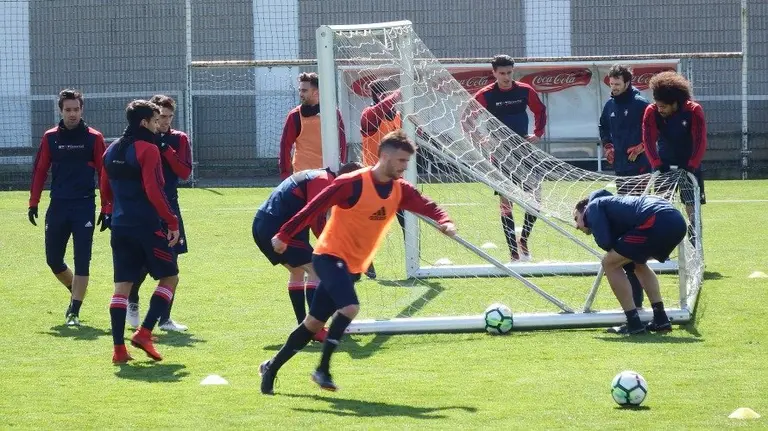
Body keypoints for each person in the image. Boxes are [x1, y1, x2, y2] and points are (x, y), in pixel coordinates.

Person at [259, 130, 456, 394]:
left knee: (313, 324)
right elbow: (314, 207)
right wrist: (284, 234)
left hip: (353, 265)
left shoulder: (400, 190)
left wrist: (444, 220)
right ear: (384, 156)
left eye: (406, 162)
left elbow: (427, 205)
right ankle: (322, 370)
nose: (404, 167)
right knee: (350, 307)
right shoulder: (352, 183)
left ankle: (271, 367)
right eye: (400, 161)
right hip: (329, 256)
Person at [101, 100, 180, 363]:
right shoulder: (148, 149)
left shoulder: (110, 149)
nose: (160, 126)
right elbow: (154, 191)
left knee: (121, 287)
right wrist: (172, 221)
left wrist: (111, 210)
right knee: (170, 277)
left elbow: (105, 189)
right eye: (156, 121)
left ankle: (118, 351)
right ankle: (144, 332)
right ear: (144, 122)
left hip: (120, 226)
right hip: (146, 225)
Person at [253, 161, 364, 341]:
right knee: (316, 269)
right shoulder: (323, 181)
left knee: (297, 271)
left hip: (266, 223)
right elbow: (314, 215)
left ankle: (304, 327)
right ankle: (315, 329)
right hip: (277, 227)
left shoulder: (322, 177)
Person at [28, 89, 108, 326]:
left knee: (83, 259)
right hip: (58, 206)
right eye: (68, 110)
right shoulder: (50, 137)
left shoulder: (94, 137)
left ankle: (74, 310)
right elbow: (40, 170)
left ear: (82, 110)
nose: (72, 114)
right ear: (61, 111)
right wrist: (34, 202)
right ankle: (76, 291)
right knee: (53, 260)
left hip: (84, 205)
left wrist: (107, 206)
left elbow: (104, 173)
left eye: (76, 109)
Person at [573, 189, 686, 335]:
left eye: (576, 219)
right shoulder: (619, 207)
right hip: (677, 222)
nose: (576, 226)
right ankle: (661, 319)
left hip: (655, 221)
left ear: (584, 210)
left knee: (609, 263)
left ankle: (634, 323)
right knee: (637, 264)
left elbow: (605, 242)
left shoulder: (593, 206)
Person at [126, 94, 192, 332]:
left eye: (169, 116)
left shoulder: (178, 139)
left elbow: (184, 172)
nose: (165, 122)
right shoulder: (142, 140)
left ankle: (165, 319)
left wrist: (165, 148)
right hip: (146, 208)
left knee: (172, 263)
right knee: (142, 263)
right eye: (161, 117)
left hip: (170, 205)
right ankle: (132, 303)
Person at [472, 54, 547, 262]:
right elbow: (466, 118)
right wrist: (481, 138)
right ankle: (513, 251)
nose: (506, 77)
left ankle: (524, 239)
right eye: (502, 73)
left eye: (509, 72)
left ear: (513, 71)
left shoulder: (525, 90)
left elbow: (540, 111)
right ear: (494, 73)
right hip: (501, 152)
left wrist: (538, 133)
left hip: (524, 149)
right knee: (506, 202)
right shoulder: (485, 95)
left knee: (535, 200)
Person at [598, 64, 652, 313]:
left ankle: (643, 252)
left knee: (640, 212)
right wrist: (608, 146)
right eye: (611, 83)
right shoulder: (609, 104)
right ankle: (632, 252)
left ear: (628, 82)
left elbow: (654, 131)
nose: (614, 87)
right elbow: (603, 128)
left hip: (640, 167)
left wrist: (642, 146)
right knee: (627, 216)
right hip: (620, 169)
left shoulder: (641, 104)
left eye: (618, 83)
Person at [642, 71, 707, 241]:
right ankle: (663, 247)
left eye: (663, 106)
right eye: (658, 104)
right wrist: (656, 163)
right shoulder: (651, 111)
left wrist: (692, 164)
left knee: (692, 208)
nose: (659, 108)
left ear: (675, 103)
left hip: (689, 164)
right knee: (662, 207)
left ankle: (695, 247)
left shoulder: (693, 110)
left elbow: (700, 140)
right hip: (664, 165)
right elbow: (648, 139)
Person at [359, 77, 404, 279]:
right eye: (386, 95)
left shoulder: (397, 116)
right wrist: (397, 94)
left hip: (395, 178)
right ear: (378, 96)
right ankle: (366, 262)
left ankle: (413, 261)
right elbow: (383, 107)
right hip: (373, 180)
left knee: (407, 218)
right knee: (371, 224)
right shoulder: (369, 114)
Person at [278, 72, 347, 180]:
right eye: (300, 90)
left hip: (327, 175)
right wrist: (285, 174)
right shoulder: (295, 116)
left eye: (304, 91)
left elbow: (341, 143)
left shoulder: (333, 114)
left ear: (316, 92)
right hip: (303, 177)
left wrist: (340, 167)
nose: (300, 94)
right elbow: (285, 146)